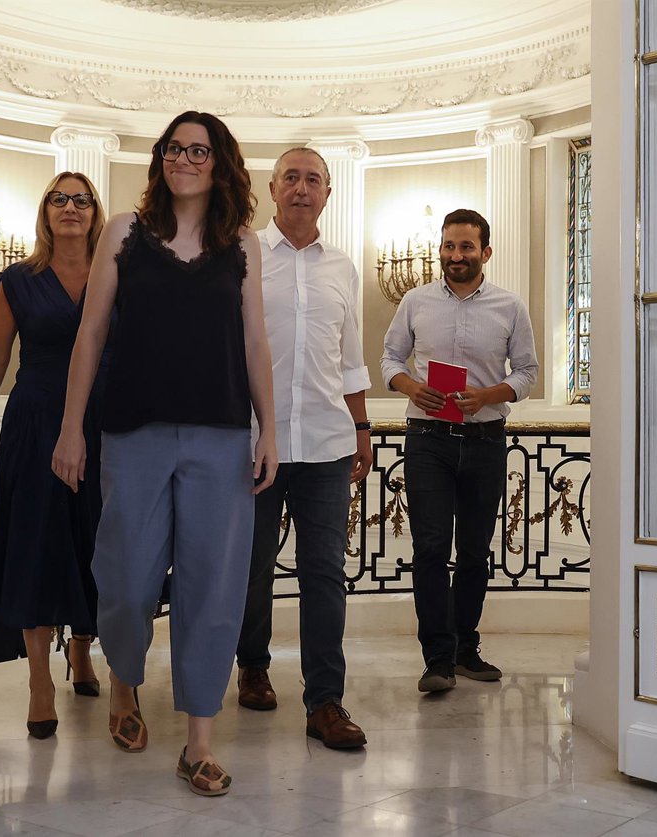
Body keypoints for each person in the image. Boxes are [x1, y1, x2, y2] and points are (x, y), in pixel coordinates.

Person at [52, 111, 276, 797]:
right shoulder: (124, 231)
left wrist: (270, 428)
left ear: (219, 163)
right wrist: (70, 429)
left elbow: (255, 341)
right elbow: (91, 334)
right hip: (133, 431)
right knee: (126, 578)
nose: (184, 159)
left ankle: (198, 741)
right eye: (174, 148)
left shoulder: (241, 243)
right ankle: (123, 679)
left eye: (198, 150)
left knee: (213, 586)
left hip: (221, 435)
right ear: (161, 159)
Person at [0, 171, 110, 740]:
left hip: (102, 423)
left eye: (81, 199)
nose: (70, 207)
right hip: (34, 424)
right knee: (34, 543)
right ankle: (40, 682)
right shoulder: (18, 280)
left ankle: (83, 649)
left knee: (94, 539)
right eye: (59, 199)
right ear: (45, 211)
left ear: (95, 212)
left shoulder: (115, 274)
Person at [235, 148, 372, 750]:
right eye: (290, 177)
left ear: (327, 193)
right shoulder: (243, 256)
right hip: (254, 442)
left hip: (326, 442)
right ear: (272, 189)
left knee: (324, 573)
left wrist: (362, 428)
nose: (301, 188)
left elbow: (351, 357)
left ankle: (325, 701)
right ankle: (253, 665)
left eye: (312, 179)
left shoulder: (343, 267)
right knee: (252, 567)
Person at [380, 208, 538, 694]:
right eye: (449, 246)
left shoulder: (510, 306)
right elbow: (389, 359)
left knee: (473, 551)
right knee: (430, 548)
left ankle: (465, 649)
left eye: (466, 247)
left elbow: (528, 373)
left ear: (485, 252)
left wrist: (488, 395)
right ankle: (437, 660)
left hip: (485, 441)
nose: (455, 255)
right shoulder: (415, 301)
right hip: (428, 439)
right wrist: (412, 386)